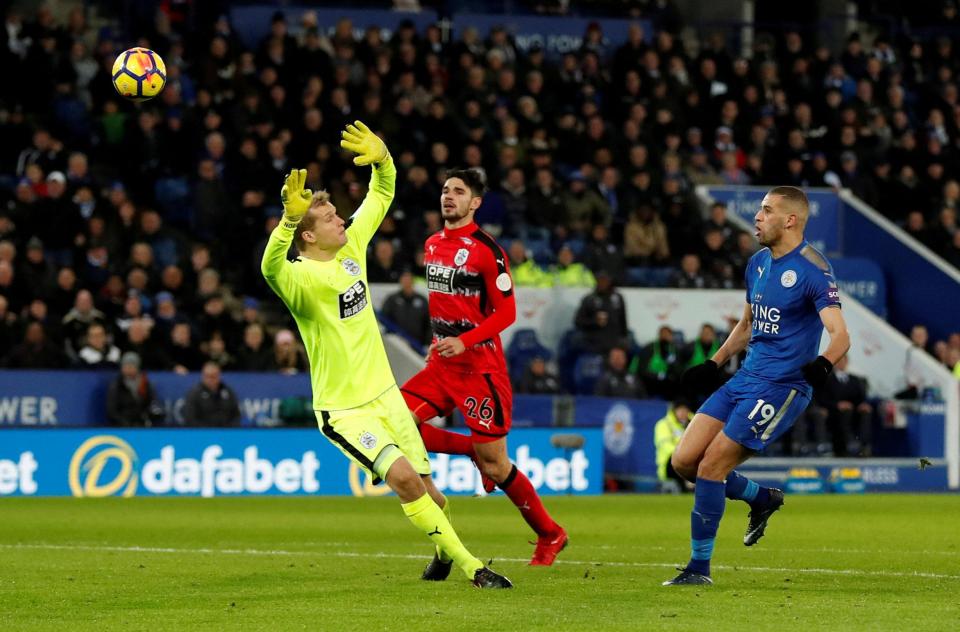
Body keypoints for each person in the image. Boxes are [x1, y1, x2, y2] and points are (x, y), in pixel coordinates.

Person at [260, 123, 510, 589]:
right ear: (309, 238)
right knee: (406, 483)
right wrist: (287, 222)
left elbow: (382, 192)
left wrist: (384, 158)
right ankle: (475, 567)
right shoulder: (297, 280)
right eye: (330, 218)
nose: (341, 219)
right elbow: (269, 266)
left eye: (337, 212)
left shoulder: (352, 246)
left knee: (434, 496)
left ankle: (442, 553)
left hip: (386, 397)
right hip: (345, 411)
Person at [664, 186, 850, 586]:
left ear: (791, 220)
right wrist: (714, 363)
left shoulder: (813, 271)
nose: (757, 217)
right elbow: (749, 324)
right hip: (745, 378)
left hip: (782, 388)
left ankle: (699, 569)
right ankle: (761, 498)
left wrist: (823, 363)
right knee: (683, 463)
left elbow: (840, 336)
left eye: (766, 210)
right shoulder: (758, 264)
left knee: (711, 467)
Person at [401, 166, 568, 569]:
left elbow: (506, 312)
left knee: (496, 462)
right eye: (445, 190)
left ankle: (550, 534)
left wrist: (465, 340)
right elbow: (444, 304)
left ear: (475, 202)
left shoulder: (486, 250)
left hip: (480, 368)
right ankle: (469, 453)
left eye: (458, 191)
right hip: (443, 364)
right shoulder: (431, 245)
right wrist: (438, 341)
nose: (449, 196)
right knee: (395, 423)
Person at [105, 351, 166, 426]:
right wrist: (125, 423)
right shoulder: (116, 385)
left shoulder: (145, 383)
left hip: (142, 424)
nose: (128, 369)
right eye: (125, 366)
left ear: (137, 367)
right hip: (122, 426)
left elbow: (152, 402)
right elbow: (112, 410)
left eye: (131, 366)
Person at [182, 361, 242, 427]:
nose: (210, 379)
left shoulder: (228, 392)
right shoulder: (194, 394)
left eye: (213, 376)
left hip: (226, 433)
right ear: (203, 376)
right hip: (202, 433)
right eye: (207, 376)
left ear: (219, 376)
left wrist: (229, 430)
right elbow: (190, 418)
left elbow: (236, 415)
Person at [654, 400, 693, 491]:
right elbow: (665, 445)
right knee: (678, 459)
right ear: (674, 411)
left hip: (691, 461)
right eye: (680, 410)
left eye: (685, 410)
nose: (683, 413)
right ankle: (688, 484)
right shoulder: (664, 424)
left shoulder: (695, 423)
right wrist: (684, 453)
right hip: (669, 464)